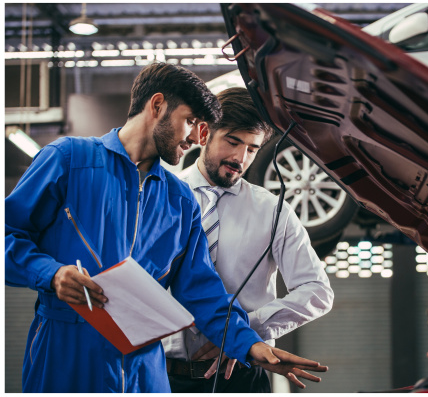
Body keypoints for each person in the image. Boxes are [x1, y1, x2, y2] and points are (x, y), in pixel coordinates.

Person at [4, 62, 327, 393]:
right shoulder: (69, 159)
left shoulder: (180, 200)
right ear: (157, 106)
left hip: (145, 370)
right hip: (65, 355)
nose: (195, 137)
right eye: (190, 121)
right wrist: (51, 274)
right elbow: (7, 235)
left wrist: (250, 345)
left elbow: (203, 291)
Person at [163, 87, 334, 392]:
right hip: (164, 377)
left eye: (252, 149)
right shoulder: (161, 196)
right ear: (204, 133)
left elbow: (317, 291)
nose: (240, 158)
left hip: (240, 378)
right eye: (233, 142)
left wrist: (242, 333)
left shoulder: (273, 210)